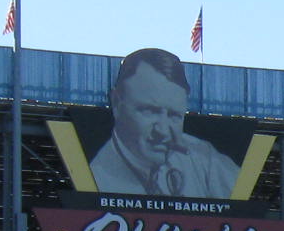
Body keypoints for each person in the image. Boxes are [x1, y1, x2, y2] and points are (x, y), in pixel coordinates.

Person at [89, 47, 241, 199]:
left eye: (174, 115)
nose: (162, 131)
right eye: (150, 111)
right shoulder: (93, 179)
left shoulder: (203, 158)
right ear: (116, 103)